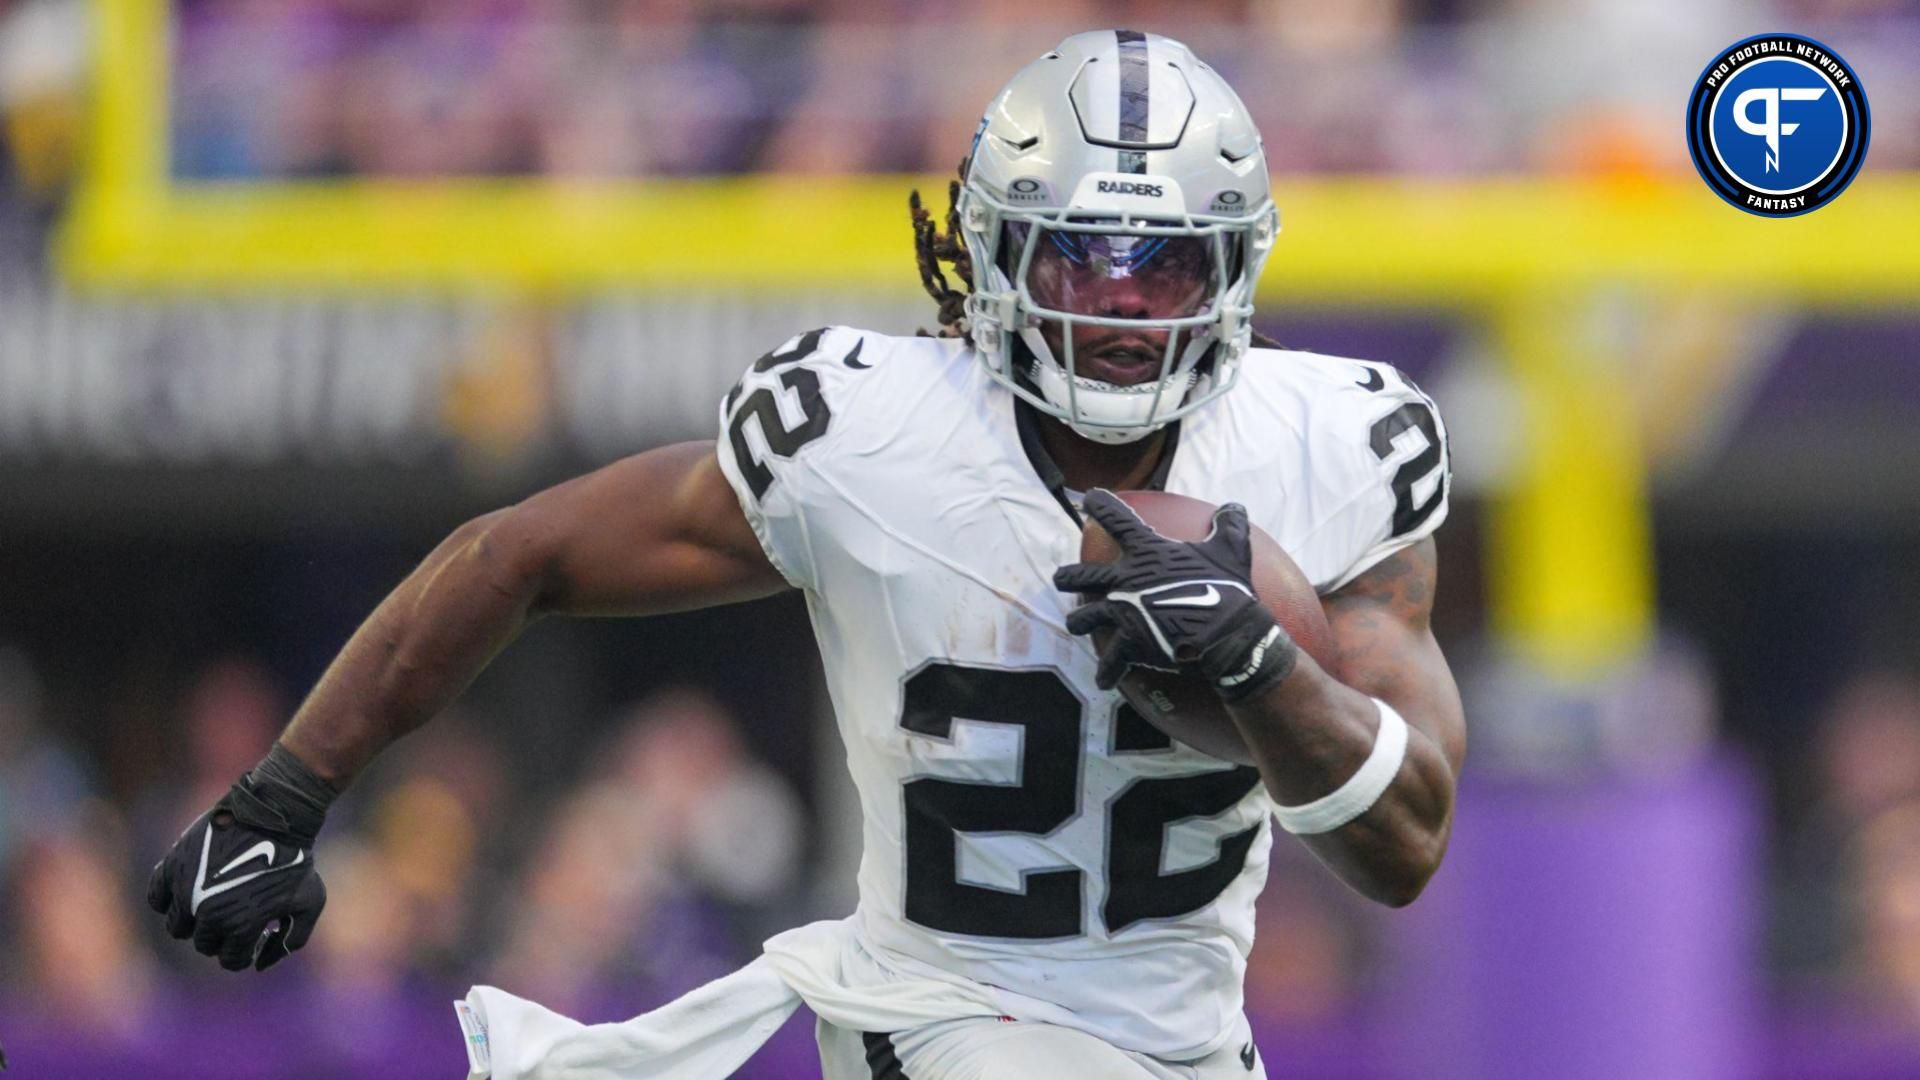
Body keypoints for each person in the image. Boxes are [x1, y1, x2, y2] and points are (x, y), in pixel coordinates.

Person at [146, 30, 1465, 1079]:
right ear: (987, 246)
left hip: (1186, 1045)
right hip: (943, 1007)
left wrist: (1266, 671)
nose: (1119, 307)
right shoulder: (869, 434)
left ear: (1237, 270)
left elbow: (1407, 841)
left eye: (1164, 268)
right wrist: (281, 795)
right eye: (1079, 257)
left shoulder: (1337, 444)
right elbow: (521, 552)